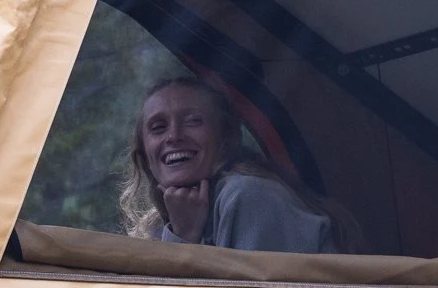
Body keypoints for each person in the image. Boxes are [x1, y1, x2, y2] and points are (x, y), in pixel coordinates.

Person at [120, 77, 336, 253]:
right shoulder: (166, 223)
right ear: (145, 153)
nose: (174, 136)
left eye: (193, 121)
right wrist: (181, 233)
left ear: (224, 138)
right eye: (158, 127)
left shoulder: (249, 195)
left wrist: (184, 240)